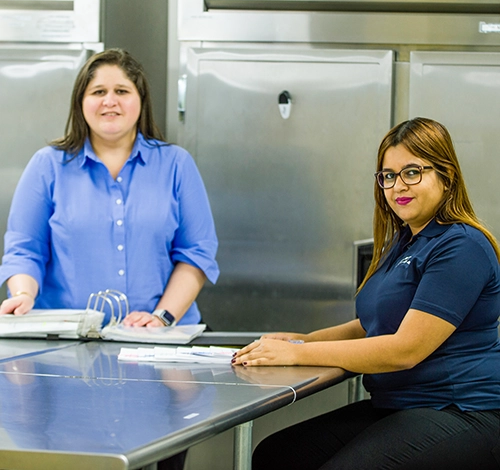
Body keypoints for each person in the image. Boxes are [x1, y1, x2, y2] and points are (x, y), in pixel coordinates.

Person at [232, 117, 500, 470]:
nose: (397, 186)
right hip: (400, 404)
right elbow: (369, 324)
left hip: (461, 410)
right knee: (278, 454)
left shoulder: (461, 246)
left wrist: (297, 355)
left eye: (412, 172)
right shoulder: (404, 242)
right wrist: (302, 342)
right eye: (388, 175)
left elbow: (406, 349)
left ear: (446, 176)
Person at [0, 48, 219, 327]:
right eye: (98, 92)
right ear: (81, 101)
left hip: (159, 338)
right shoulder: (48, 165)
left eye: (122, 91)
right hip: (68, 339)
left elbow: (196, 253)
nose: (110, 101)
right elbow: (25, 250)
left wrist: (160, 318)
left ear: (141, 100)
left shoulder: (177, 164)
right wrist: (23, 294)